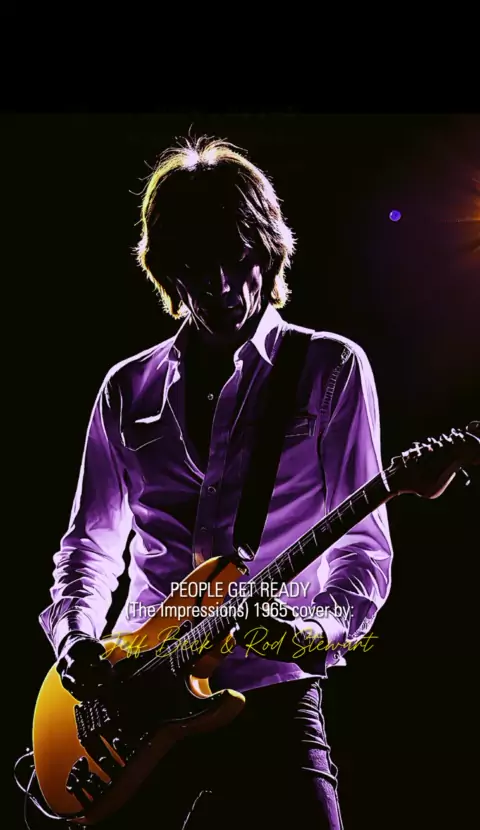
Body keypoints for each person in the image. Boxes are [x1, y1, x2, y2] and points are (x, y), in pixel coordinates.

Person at [39, 136, 393, 829]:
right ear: (168, 271)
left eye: (239, 258)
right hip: (136, 696)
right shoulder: (127, 388)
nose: (223, 284)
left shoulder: (330, 370)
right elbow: (90, 544)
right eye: (197, 265)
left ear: (269, 251)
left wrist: (307, 630)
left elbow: (363, 553)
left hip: (271, 689)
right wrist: (76, 637)